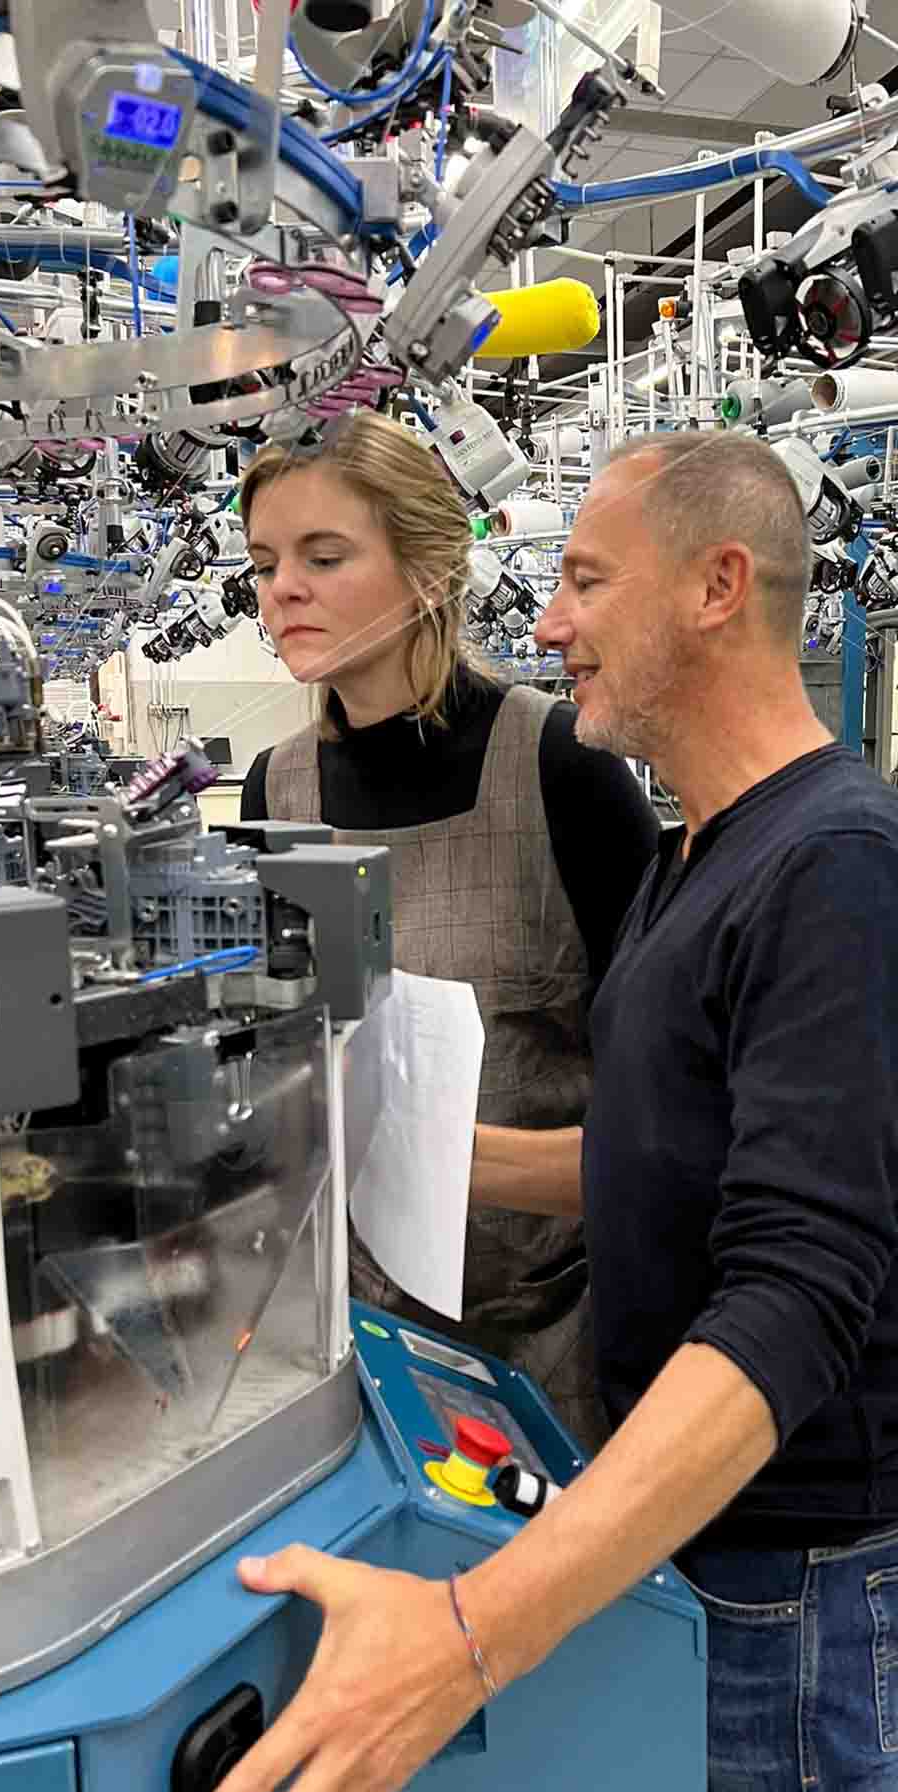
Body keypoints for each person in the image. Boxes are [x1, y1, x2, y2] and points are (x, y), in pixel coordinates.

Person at [176, 429, 898, 1792]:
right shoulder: (707, 854)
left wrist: (476, 1632)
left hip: (793, 1549)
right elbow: (635, 1163)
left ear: (717, 587)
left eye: (590, 581)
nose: (547, 621)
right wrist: (391, 1153)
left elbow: (793, 1299)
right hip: (686, 1508)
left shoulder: (847, 869)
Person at [237, 411, 658, 1446]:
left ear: (428, 568)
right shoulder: (273, 787)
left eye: (322, 556)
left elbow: (668, 1098)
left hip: (548, 1331)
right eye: (263, 563)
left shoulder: (562, 768)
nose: (280, 588)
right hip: (351, 1326)